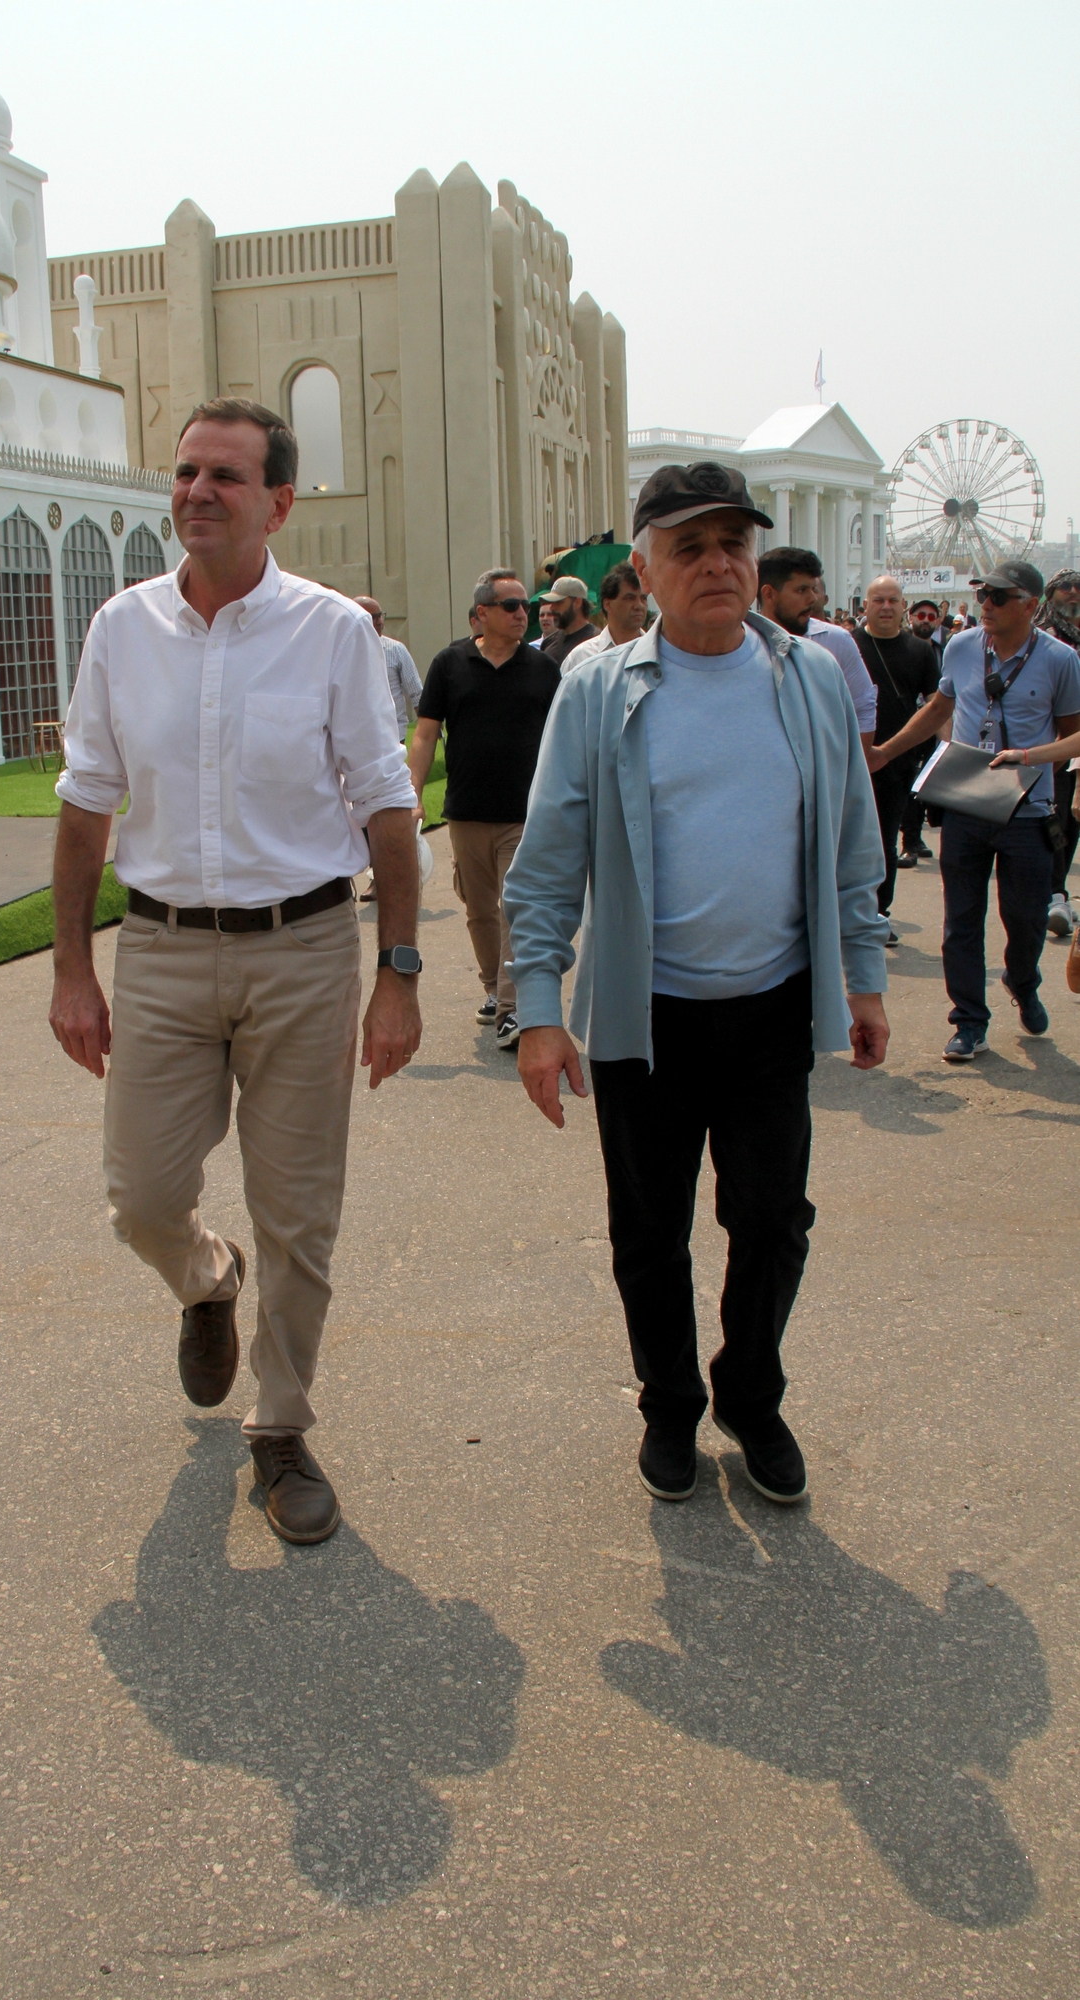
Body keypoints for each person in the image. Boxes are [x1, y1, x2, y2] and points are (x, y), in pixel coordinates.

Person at [50, 397, 422, 1546]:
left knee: (299, 1210)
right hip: (159, 949)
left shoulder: (328, 633)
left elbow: (388, 808)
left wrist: (397, 972)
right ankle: (206, 1276)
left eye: (224, 475)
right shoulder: (122, 628)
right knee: (141, 1196)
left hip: (305, 951)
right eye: (184, 472)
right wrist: (73, 967)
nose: (197, 491)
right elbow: (82, 807)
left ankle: (280, 1428)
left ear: (277, 501)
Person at [504, 462, 888, 1509]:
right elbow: (542, 868)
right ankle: (667, 1404)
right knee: (647, 1228)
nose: (716, 562)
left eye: (732, 542)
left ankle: (749, 1394)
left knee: (772, 1218)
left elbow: (852, 843)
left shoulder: (802, 676)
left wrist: (862, 976)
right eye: (688, 545)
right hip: (646, 1013)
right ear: (642, 568)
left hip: (770, 1004)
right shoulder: (597, 686)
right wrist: (539, 1011)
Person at [869, 558, 1080, 1059]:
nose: (986, 604)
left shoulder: (1061, 659)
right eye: (983, 595)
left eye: (999, 597)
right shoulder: (962, 647)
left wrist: (1029, 758)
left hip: (1028, 809)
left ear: (1031, 606)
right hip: (965, 803)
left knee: (1026, 919)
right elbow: (938, 710)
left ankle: (1022, 982)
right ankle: (968, 1021)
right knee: (961, 919)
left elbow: (1074, 737)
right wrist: (884, 752)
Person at [409, 569, 560, 1049]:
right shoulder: (449, 664)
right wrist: (413, 792)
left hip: (525, 812)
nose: (523, 614)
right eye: (512, 606)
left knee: (515, 906)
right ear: (481, 614)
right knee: (479, 911)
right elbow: (426, 733)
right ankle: (494, 991)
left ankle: (513, 1010)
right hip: (468, 810)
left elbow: (563, 738)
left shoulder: (542, 669)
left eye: (526, 607)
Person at [852, 576, 941, 945]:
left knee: (884, 840)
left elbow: (938, 703)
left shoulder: (920, 651)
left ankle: (878, 913)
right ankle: (842, 912)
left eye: (892, 600)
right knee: (842, 839)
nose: (886, 607)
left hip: (896, 762)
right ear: (865, 607)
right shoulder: (847, 646)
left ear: (903, 606)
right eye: (878, 600)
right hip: (848, 760)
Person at [756, 547, 876, 746]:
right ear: (769, 594)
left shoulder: (837, 641)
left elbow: (863, 708)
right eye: (801, 590)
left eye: (813, 589)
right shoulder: (741, 645)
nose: (812, 599)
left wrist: (850, 772)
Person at [1036, 570, 1080, 934]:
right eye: (1066, 587)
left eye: (1078, 587)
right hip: (1058, 742)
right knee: (1059, 818)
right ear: (1050, 594)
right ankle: (1054, 894)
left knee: (1075, 819)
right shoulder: (1045, 638)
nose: (1073, 592)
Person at [898, 599, 953, 866]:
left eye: (932, 616)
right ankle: (908, 842)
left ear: (939, 621)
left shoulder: (945, 651)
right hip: (908, 726)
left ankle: (916, 838)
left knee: (927, 782)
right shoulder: (905, 648)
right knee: (910, 783)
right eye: (921, 615)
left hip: (936, 725)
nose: (926, 620)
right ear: (910, 617)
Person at [355, 594, 423, 738]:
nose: (380, 622)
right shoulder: (344, 652)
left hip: (393, 731)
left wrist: (427, 727)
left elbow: (416, 691)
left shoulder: (396, 649)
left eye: (380, 616)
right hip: (358, 734)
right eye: (373, 617)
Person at [563, 561, 649, 672]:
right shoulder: (581, 658)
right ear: (607, 604)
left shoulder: (661, 654)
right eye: (629, 598)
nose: (639, 605)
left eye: (643, 598)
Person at [539, 575, 598, 666]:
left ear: (577, 602)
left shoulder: (596, 641)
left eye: (558, 602)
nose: (552, 608)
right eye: (552, 603)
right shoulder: (549, 643)